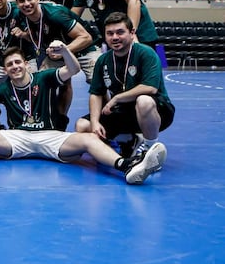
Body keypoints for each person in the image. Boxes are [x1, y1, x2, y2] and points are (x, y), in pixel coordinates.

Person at [0, 43, 168, 185]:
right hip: (16, 137)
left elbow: (73, 69)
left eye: (17, 63)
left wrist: (65, 51)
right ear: (5, 70)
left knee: (90, 139)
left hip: (51, 135)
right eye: (9, 65)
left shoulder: (45, 77)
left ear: (25, 64)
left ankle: (128, 168)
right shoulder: (3, 88)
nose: (14, 67)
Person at [75, 12, 175, 159]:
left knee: (144, 101)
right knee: (82, 126)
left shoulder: (146, 53)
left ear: (132, 32)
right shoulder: (103, 60)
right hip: (122, 111)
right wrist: (95, 122)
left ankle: (151, 150)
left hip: (157, 111)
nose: (115, 37)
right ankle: (127, 140)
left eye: (120, 32)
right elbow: (96, 93)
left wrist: (116, 98)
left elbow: (150, 88)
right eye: (110, 33)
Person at [12, 0, 101, 127]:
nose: (26, 4)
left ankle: (105, 118)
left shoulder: (54, 14)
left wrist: (63, 52)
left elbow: (86, 38)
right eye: (22, 1)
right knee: (42, 81)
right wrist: (24, 35)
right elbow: (39, 34)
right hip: (57, 51)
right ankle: (58, 121)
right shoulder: (22, 16)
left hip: (84, 48)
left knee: (98, 81)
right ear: (16, 3)